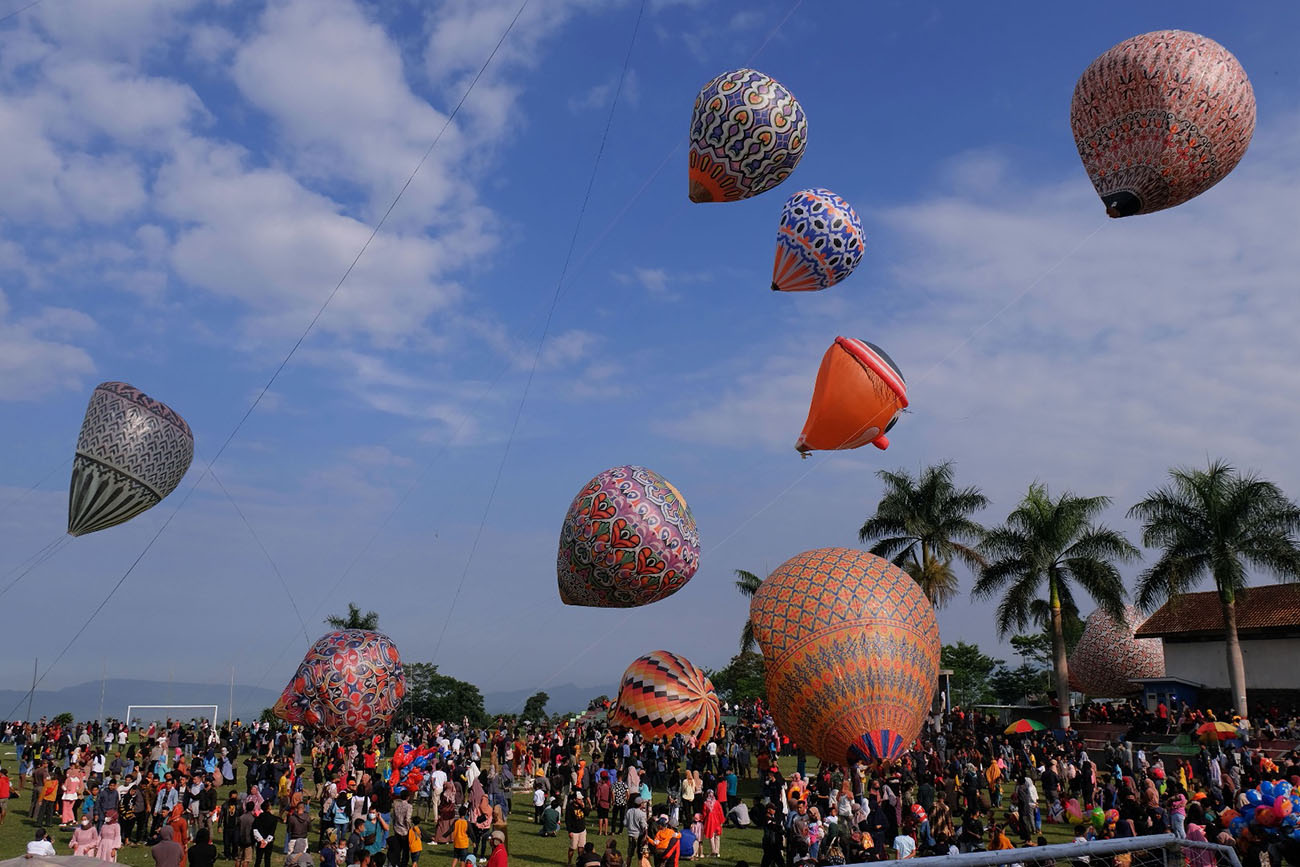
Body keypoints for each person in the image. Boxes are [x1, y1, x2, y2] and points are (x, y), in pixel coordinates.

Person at [566, 791, 589, 866]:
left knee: (581, 847)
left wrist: (583, 807)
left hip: (582, 829)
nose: (581, 800)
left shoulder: (582, 805)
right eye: (579, 799)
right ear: (575, 799)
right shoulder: (570, 807)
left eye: (581, 799)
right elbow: (568, 820)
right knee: (572, 847)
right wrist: (569, 831)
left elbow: (587, 813)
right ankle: (569, 861)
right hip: (574, 831)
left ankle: (580, 862)